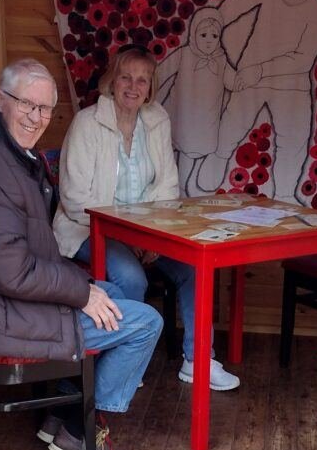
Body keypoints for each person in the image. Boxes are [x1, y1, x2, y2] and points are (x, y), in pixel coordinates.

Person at [0, 57, 162, 450]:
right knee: (145, 323)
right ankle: (80, 427)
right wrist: (79, 291)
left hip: (23, 301)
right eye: (26, 105)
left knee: (110, 293)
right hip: (14, 315)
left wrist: (84, 287)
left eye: (44, 109)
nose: (36, 118)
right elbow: (11, 270)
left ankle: (62, 411)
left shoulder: (4, 150)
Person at [53, 45, 240, 391]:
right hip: (88, 230)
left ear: (150, 86)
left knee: (196, 267)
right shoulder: (87, 123)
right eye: (126, 76)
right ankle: (124, 362)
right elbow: (75, 197)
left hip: (149, 233)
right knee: (130, 276)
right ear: (112, 80)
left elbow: (168, 186)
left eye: (143, 79)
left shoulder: (157, 120)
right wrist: (129, 237)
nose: (133, 86)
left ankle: (198, 362)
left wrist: (154, 235)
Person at [196, 0, 317, 201]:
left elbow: (302, 60)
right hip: (249, 76)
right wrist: (213, 49)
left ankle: (284, 195)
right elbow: (225, 13)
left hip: (289, 84)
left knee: (294, 139)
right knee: (231, 126)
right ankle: (215, 164)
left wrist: (258, 70)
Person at [157, 6, 233, 193]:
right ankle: (177, 190)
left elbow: (232, 82)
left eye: (214, 36)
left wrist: (246, 78)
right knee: (175, 155)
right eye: (203, 34)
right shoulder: (185, 54)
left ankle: (192, 190)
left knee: (198, 155)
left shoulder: (221, 59)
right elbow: (161, 72)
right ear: (193, 34)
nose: (209, 41)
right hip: (183, 117)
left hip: (207, 121)